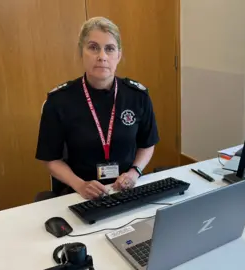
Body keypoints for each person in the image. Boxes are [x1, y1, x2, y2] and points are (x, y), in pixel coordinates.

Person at [35, 17, 159, 201]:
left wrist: (134, 172)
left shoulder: (138, 96)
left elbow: (147, 144)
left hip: (126, 189)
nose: (102, 56)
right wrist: (80, 185)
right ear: (81, 52)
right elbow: (51, 158)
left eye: (109, 49)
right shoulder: (59, 101)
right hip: (79, 194)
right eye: (93, 47)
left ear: (118, 55)